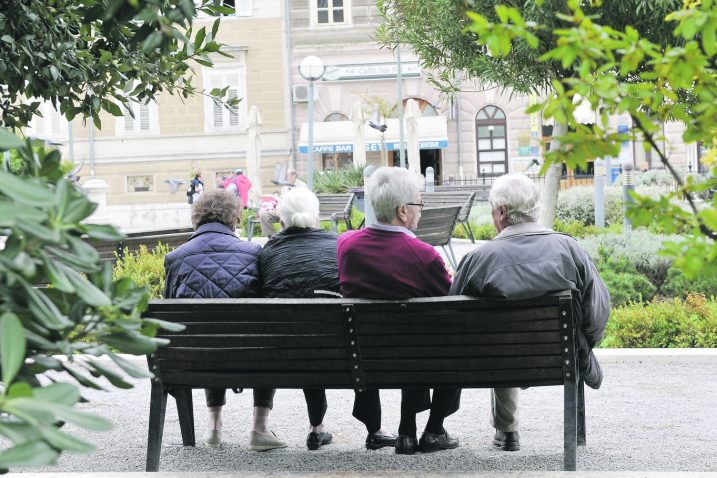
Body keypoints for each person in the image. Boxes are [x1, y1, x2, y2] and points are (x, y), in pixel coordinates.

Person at [449, 173, 610, 452]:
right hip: (561, 356)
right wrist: (584, 343)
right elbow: (597, 310)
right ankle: (574, 437)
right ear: (533, 210)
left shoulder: (479, 258)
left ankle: (507, 431)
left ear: (501, 212)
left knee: (500, 339)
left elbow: (452, 316)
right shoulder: (570, 249)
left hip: (498, 360)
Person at [337, 166, 461, 455]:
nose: (421, 210)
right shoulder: (424, 254)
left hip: (365, 357)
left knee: (407, 336)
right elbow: (451, 300)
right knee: (443, 338)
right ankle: (431, 430)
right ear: (403, 211)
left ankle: (407, 432)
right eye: (419, 203)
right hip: (417, 358)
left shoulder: (346, 246)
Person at [163, 189, 287, 452]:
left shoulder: (175, 258)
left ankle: (214, 428)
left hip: (195, 357)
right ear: (235, 218)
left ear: (197, 217)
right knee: (262, 338)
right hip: (250, 354)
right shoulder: (253, 252)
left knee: (207, 334)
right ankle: (259, 428)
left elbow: (169, 311)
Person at [257, 187, 340, 451]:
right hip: (336, 350)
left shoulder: (268, 252)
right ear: (317, 217)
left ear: (281, 221)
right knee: (315, 332)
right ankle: (317, 428)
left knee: (293, 331)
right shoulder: (337, 245)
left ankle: (262, 424)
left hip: (278, 352)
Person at [259, 167, 306, 237]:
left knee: (286, 216)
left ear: (294, 176)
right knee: (264, 215)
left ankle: (286, 237)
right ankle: (273, 238)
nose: (286, 178)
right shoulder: (285, 187)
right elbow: (280, 201)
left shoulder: (302, 186)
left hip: (294, 212)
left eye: (287, 175)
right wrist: (278, 209)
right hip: (281, 212)